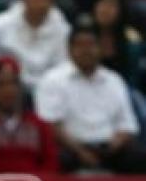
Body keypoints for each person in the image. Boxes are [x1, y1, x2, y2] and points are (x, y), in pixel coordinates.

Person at [35, 25, 146, 173]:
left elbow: (127, 125)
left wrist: (114, 145)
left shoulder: (114, 80)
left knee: (137, 156)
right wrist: (80, 152)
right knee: (59, 158)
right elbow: (51, 126)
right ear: (69, 50)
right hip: (71, 147)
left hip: (108, 147)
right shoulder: (53, 80)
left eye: (91, 44)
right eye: (80, 45)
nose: (86, 51)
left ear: (100, 48)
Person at [0, 0, 71, 89]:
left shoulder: (63, 30)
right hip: (11, 89)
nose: (42, 4)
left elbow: (62, 69)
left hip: (49, 89)